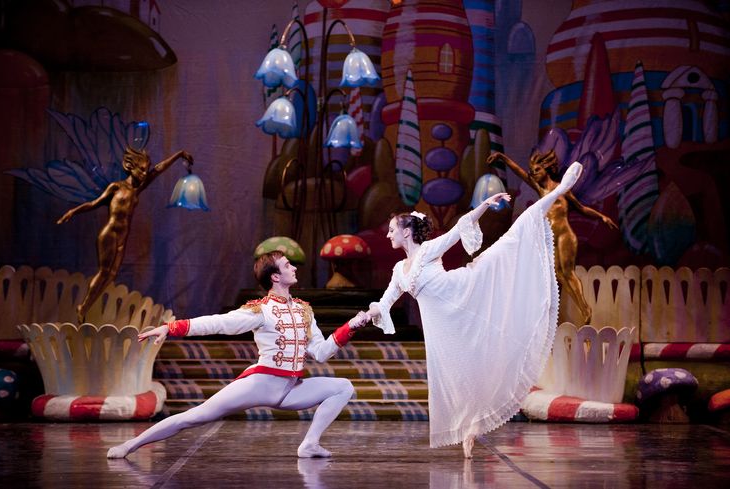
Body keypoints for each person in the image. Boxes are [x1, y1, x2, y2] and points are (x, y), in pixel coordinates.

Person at [362, 161, 584, 458]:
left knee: (509, 244)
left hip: (464, 292)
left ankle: (558, 192)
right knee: (457, 373)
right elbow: (387, 301)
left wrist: (484, 205)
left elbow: (457, 231)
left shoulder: (428, 251)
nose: (388, 235)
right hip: (442, 325)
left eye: (392, 230)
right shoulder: (399, 270)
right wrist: (369, 313)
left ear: (406, 232)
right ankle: (470, 427)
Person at [107, 251, 368, 459]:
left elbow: (320, 353)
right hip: (261, 384)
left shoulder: (304, 310)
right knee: (196, 417)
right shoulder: (260, 310)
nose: (294, 268)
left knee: (342, 387)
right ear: (275, 277)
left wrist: (351, 327)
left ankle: (310, 444)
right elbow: (218, 323)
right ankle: (132, 444)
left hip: (291, 388)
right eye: (288, 265)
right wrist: (172, 327)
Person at [57, 147, 194, 323]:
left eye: (146, 169)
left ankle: (87, 306)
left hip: (123, 237)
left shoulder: (137, 189)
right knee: (104, 271)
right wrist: (73, 212)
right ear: (130, 167)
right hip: (110, 234)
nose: (145, 173)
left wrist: (179, 154)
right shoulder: (116, 187)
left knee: (112, 275)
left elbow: (158, 170)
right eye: (142, 169)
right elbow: (94, 203)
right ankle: (83, 307)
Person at [487, 150, 618, 324]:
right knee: (558, 275)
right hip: (550, 238)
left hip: (565, 235)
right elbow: (520, 172)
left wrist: (602, 216)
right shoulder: (541, 190)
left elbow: (581, 208)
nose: (533, 174)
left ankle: (585, 309)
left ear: (547, 169)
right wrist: (502, 157)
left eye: (537, 170)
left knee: (568, 273)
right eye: (532, 171)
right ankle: (558, 314)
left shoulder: (562, 189)